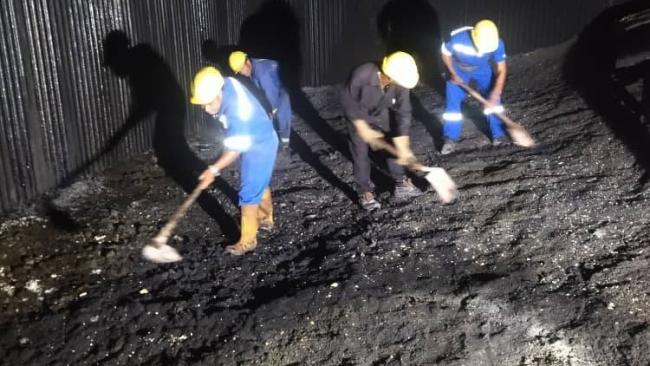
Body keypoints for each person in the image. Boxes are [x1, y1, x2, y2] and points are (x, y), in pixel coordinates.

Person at [192, 66, 278, 255]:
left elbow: (234, 150)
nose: (205, 109)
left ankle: (248, 241)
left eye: (207, 103)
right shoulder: (227, 82)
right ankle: (265, 218)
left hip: (260, 144)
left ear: (218, 93)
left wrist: (213, 170)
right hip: (261, 135)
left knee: (248, 192)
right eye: (202, 105)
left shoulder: (235, 113)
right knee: (259, 181)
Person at [341, 51, 423, 211]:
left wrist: (403, 142)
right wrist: (361, 125)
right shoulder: (362, 74)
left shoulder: (400, 82)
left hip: (380, 114)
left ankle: (401, 183)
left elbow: (404, 111)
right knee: (360, 153)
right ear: (390, 75)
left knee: (392, 144)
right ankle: (364, 191)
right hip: (357, 116)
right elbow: (347, 100)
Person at [440, 19, 508, 154]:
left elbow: (502, 69)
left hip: (482, 69)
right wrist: (452, 72)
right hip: (458, 69)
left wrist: (495, 93)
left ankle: (499, 135)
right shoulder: (458, 39)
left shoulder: (497, 42)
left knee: (496, 101)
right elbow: (445, 54)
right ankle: (450, 139)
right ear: (474, 37)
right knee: (452, 105)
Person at [229, 51, 293, 147]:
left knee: (281, 113)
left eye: (241, 69)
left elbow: (270, 91)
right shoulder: (254, 68)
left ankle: (285, 144)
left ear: (247, 62)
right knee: (269, 113)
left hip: (283, 87)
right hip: (277, 86)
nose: (241, 72)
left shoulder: (261, 73)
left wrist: (273, 109)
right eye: (239, 71)